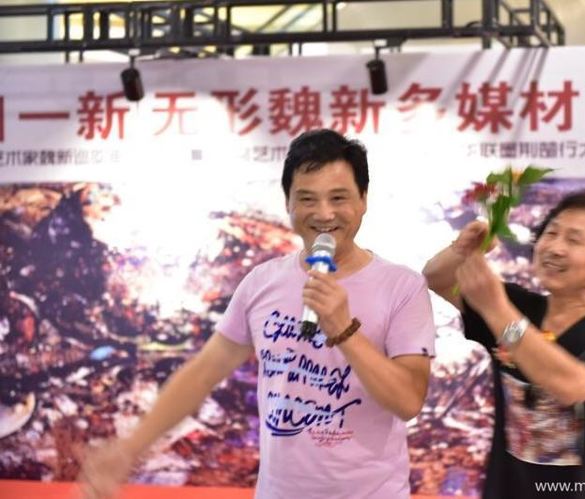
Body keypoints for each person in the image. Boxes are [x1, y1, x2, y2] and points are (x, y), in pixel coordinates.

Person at [79, 129, 436, 499]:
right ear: (288, 203)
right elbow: (203, 373)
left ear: (363, 200)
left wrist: (343, 329)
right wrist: (130, 447)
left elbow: (408, 401)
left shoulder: (402, 287)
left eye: (338, 198)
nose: (324, 213)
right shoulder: (262, 282)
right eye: (307, 199)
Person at [422, 190, 585, 498]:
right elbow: (437, 278)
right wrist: (461, 249)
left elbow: (571, 385)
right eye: (551, 233)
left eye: (574, 240)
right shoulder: (517, 305)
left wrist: (497, 311)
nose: (554, 248)